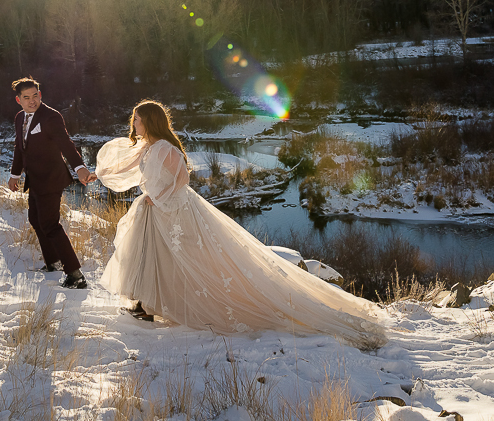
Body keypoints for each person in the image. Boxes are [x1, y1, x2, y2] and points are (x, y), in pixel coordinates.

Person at [94, 100, 387, 348]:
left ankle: (154, 306)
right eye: (134, 117)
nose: (134, 122)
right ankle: (146, 305)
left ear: (151, 121)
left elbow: (182, 178)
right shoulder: (147, 147)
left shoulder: (166, 149)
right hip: (155, 210)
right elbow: (127, 166)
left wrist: (157, 198)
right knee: (154, 257)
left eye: (138, 118)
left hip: (172, 211)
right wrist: (97, 174)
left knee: (184, 259)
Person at [7, 77, 97, 289]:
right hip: (35, 179)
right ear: (18, 100)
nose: (32, 101)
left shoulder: (51, 116)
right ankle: (53, 262)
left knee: (49, 224)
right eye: (26, 97)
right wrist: (15, 175)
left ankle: (75, 275)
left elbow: (66, 144)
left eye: (35, 96)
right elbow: (20, 147)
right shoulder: (20, 118)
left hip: (51, 178)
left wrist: (80, 168)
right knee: (35, 219)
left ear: (41, 95)